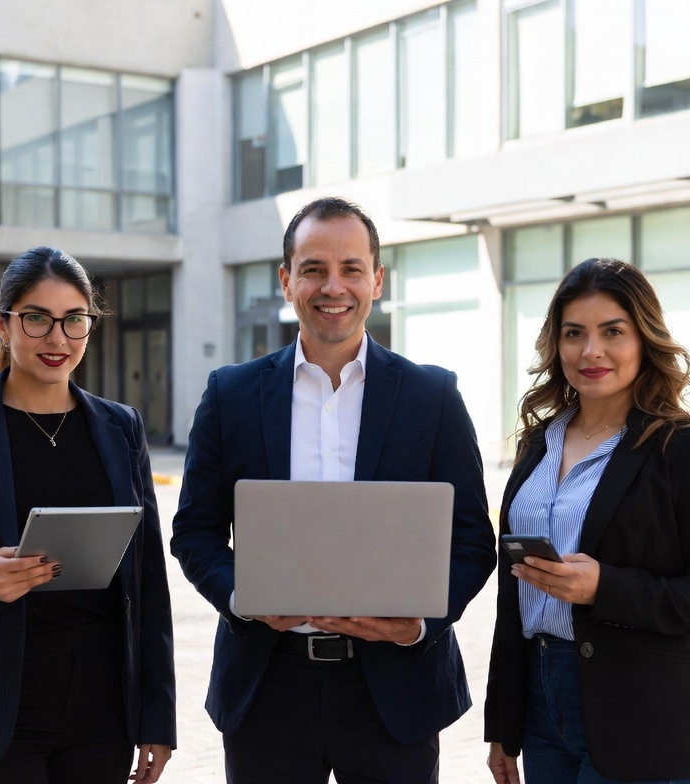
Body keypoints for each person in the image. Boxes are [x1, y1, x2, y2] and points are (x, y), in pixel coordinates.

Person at [170, 196, 496, 783]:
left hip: (394, 690)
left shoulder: (433, 397)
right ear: (286, 280)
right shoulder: (231, 395)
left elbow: (472, 540)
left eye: (351, 269)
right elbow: (195, 532)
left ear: (377, 279)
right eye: (314, 269)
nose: (333, 287)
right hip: (267, 685)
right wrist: (243, 598)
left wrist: (422, 622)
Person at [0, 246, 176, 783]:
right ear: (2, 323)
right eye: (37, 319)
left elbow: (148, 580)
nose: (58, 339)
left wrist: (157, 715)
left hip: (102, 707)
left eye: (74, 320)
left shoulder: (121, 427)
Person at [483, 257, 690, 784]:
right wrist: (504, 722)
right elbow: (514, 597)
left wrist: (603, 587)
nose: (591, 351)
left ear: (644, 339)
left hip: (645, 714)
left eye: (612, 332)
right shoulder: (538, 444)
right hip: (541, 706)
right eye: (574, 333)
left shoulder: (689, 449)